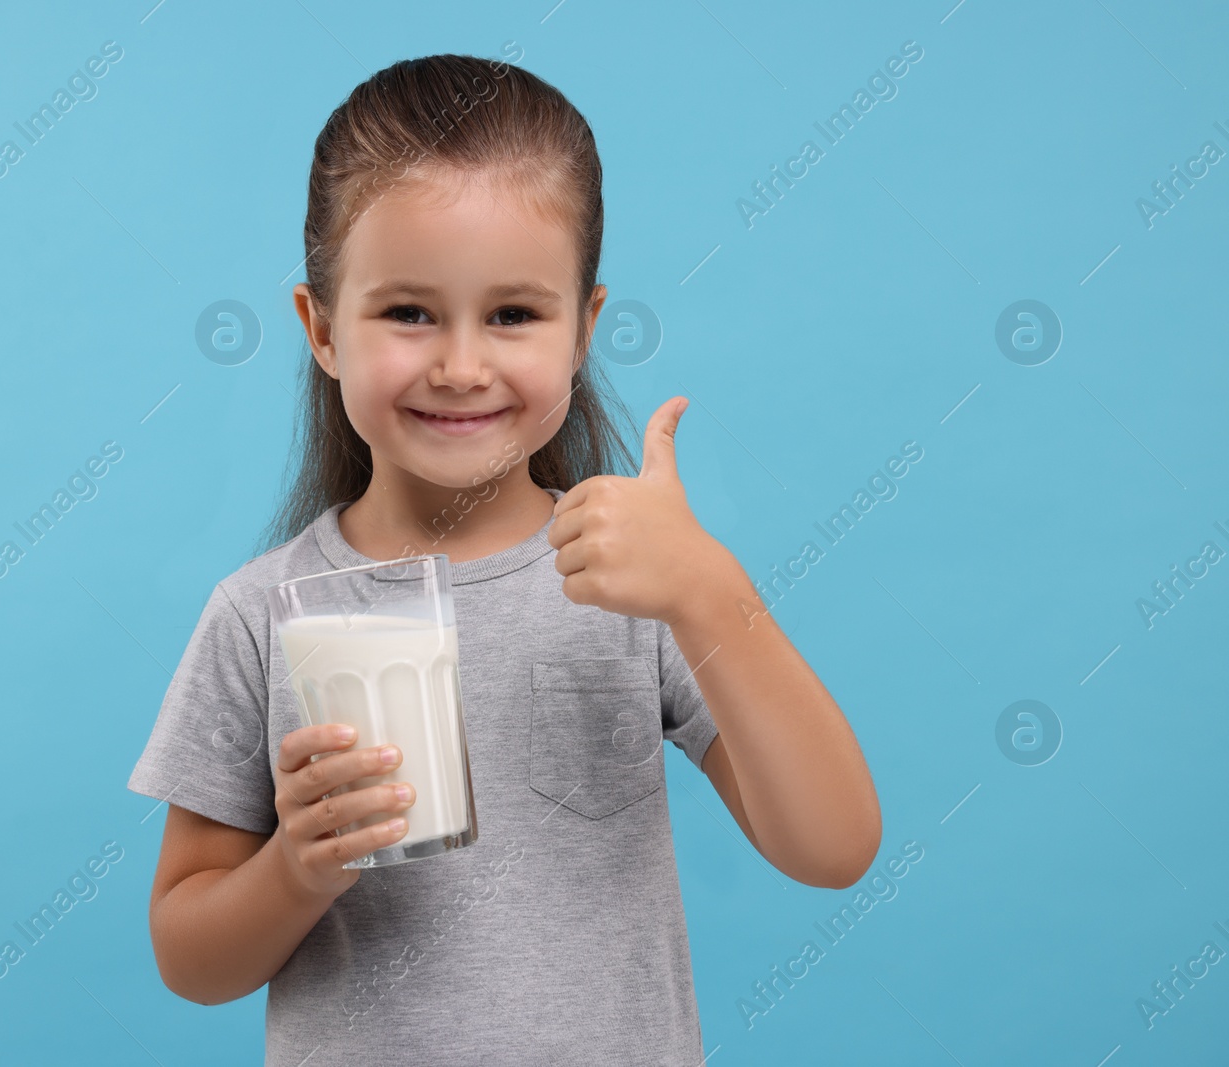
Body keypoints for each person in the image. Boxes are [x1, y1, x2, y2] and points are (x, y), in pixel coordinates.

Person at [128, 52, 881, 1065]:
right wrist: (297, 868)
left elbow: (832, 848)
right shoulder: (263, 612)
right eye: (407, 311)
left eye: (514, 314)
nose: (461, 364)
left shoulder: (637, 590)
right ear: (321, 328)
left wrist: (712, 593)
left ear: (583, 331)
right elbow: (189, 956)